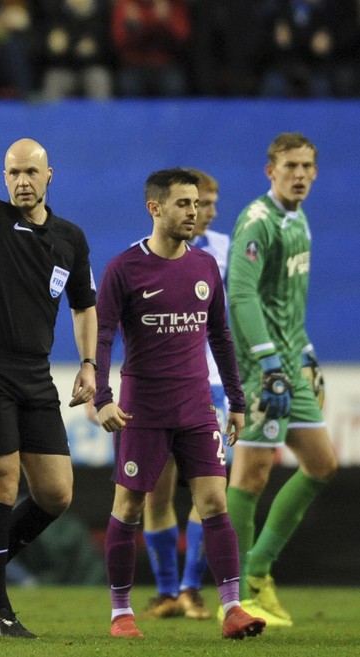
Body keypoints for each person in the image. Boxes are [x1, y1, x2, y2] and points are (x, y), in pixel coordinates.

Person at [0, 68, 97, 639]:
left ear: (49, 175)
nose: (21, 180)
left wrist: (87, 364)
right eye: (12, 172)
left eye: (30, 171)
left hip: (35, 374)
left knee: (55, 493)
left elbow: (84, 305)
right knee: (2, 482)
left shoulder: (70, 239)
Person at [94, 167, 264, 640]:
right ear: (155, 208)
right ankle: (121, 612)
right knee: (129, 506)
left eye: (196, 204)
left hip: (195, 406)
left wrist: (235, 398)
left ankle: (232, 607)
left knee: (213, 500)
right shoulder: (123, 269)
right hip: (142, 410)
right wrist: (103, 398)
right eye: (184, 204)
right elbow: (103, 336)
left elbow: (220, 336)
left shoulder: (205, 266)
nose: (194, 213)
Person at [226, 132, 336, 626]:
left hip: (291, 363)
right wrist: (269, 364)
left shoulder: (299, 219)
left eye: (307, 166)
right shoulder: (258, 222)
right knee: (251, 474)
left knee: (321, 463)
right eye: (290, 165)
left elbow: (287, 301)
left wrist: (306, 354)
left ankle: (259, 572)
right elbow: (241, 297)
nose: (300, 174)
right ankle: (237, 593)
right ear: (270, 170)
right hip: (261, 367)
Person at [140, 168, 228, 621]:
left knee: (208, 492)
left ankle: (193, 587)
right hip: (160, 388)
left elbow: (231, 325)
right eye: (196, 202)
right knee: (156, 493)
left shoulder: (224, 252)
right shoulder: (149, 258)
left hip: (208, 387)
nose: (202, 211)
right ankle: (167, 591)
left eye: (209, 203)